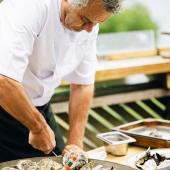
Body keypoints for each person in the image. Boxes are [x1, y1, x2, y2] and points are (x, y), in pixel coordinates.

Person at [0, 0, 120, 162]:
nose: (90, 29)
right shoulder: (29, 6)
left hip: (38, 108)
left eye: (98, 23)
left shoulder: (90, 25)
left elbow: (82, 84)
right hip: (5, 102)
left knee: (62, 163)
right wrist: (38, 127)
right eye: (85, 20)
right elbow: (3, 80)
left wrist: (76, 143)